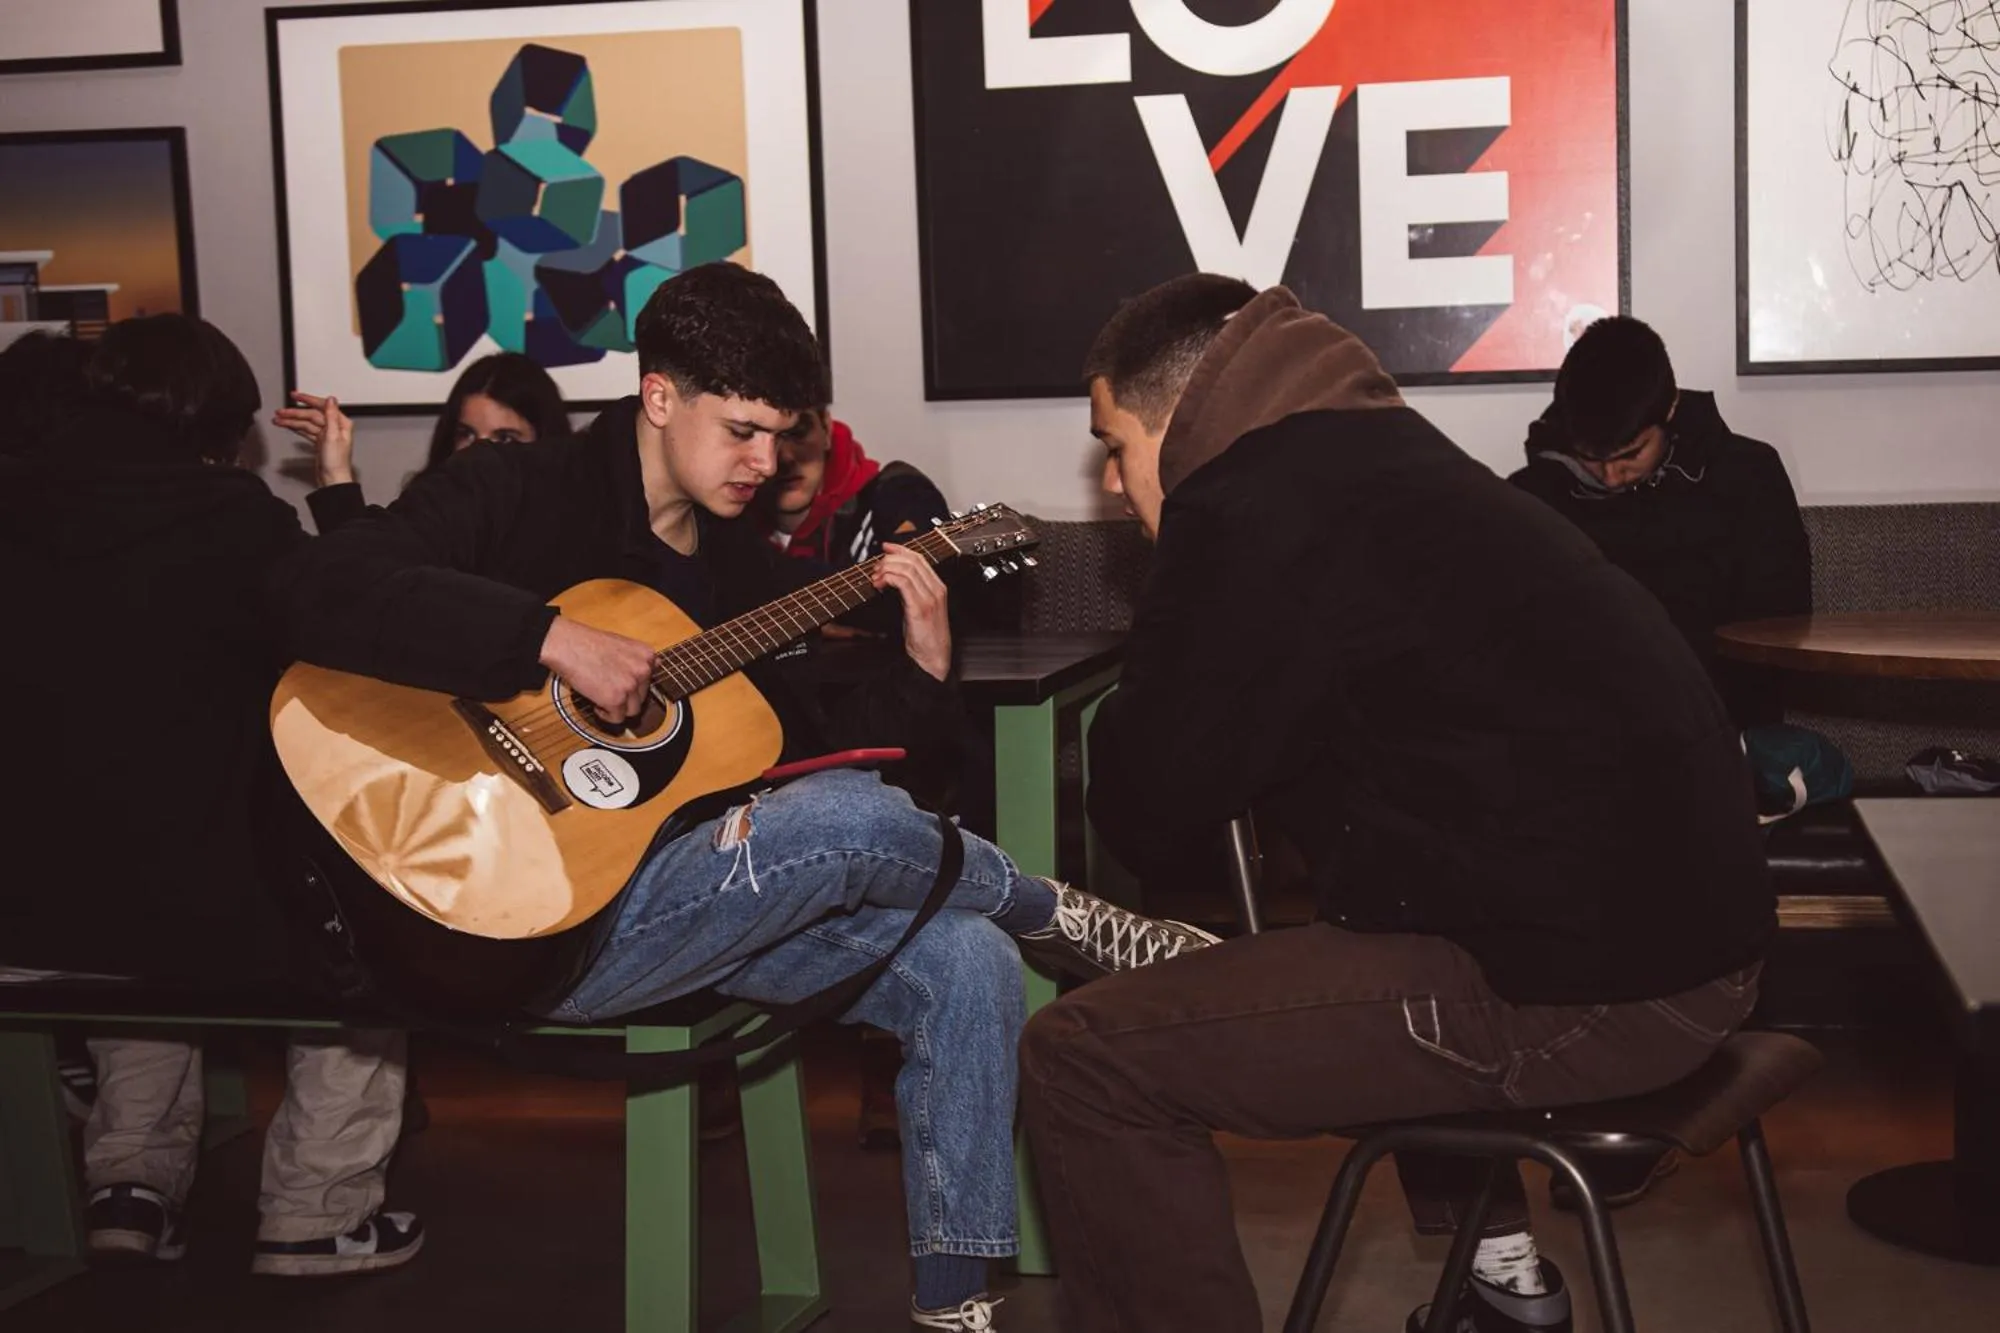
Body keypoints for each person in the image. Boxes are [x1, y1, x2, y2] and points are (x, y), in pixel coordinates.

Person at [271, 262, 1216, 1332]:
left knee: (968, 959)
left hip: (686, 911)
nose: (766, 464)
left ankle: (956, 1308)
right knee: (847, 817)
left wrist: (922, 666)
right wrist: (545, 636)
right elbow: (315, 585)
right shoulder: (517, 489)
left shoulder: (737, 573)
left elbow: (813, 757)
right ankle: (1050, 907)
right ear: (659, 395)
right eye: (742, 432)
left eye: (782, 435)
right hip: (521, 928)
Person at [1018, 276, 1774, 1333]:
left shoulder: (1246, 501)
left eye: (1115, 445)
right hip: (1700, 948)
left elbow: (1145, 805)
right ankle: (1502, 1288)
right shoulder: (1381, 453)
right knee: (1363, 933)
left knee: (1084, 1057)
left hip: (1599, 991)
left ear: (1176, 415)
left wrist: (1177, 572)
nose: (1110, 480)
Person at [0, 315, 421, 1274]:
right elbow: (370, 625)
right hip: (181, 916)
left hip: (23, 915)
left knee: (130, 881)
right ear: (224, 428)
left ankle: (129, 1183)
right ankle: (316, 1207)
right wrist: (339, 491)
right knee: (368, 922)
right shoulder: (237, 526)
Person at [1510, 316, 1812, 730]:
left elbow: (1780, 631)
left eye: (1630, 454)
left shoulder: (1746, 477)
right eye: (1591, 458)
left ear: (1670, 409)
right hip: (1573, 730)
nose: (1610, 476)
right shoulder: (1532, 497)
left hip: (1717, 723)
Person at [275, 350, 571, 533]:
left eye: (504, 438)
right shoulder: (432, 513)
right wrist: (336, 473)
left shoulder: (571, 528)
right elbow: (363, 581)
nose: (480, 452)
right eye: (466, 434)